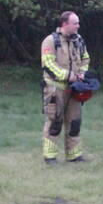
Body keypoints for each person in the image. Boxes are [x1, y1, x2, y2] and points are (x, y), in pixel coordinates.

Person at [41, 11, 90, 163]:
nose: (78, 26)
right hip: (55, 88)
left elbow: (85, 58)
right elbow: (48, 64)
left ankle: (74, 155)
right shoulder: (50, 41)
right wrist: (68, 75)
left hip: (74, 89)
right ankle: (50, 157)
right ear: (65, 24)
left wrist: (81, 73)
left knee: (75, 122)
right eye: (75, 23)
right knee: (55, 121)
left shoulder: (79, 40)